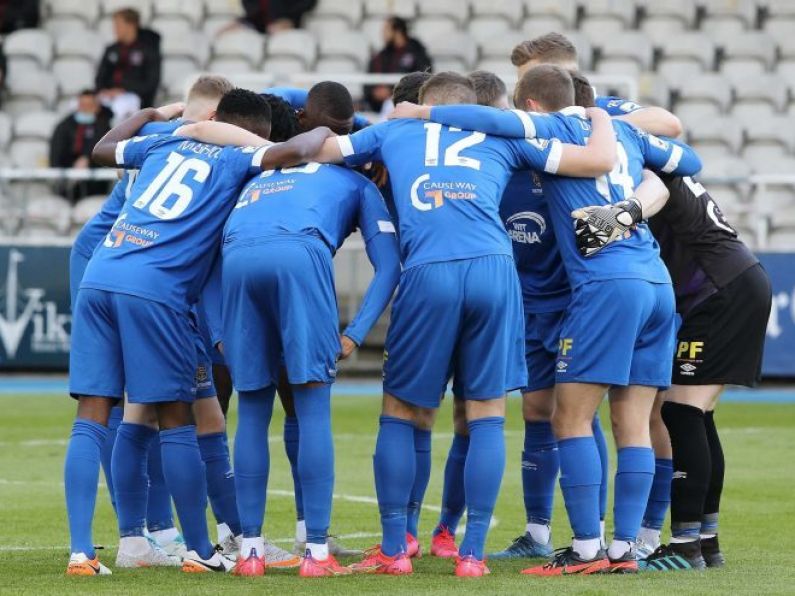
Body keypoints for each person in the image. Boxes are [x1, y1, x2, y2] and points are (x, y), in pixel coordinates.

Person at [269, 71, 617, 577]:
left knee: (400, 412)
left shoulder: (394, 130)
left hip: (428, 269)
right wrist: (601, 113)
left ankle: (394, 549)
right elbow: (594, 161)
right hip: (496, 271)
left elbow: (320, 149)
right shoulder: (501, 134)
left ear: (423, 102)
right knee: (486, 414)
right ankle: (472, 555)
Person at [400, 64, 702, 576]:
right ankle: (625, 549)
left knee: (570, 417)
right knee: (631, 422)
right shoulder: (624, 131)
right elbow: (687, 158)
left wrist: (423, 110)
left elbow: (486, 119)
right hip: (656, 282)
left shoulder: (551, 128)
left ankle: (585, 548)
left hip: (606, 285)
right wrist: (623, 173)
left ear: (532, 105)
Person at [64, 89, 331, 576]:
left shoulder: (164, 143)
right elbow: (302, 149)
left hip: (99, 275)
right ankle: (200, 550)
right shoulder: (238, 159)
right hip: (155, 288)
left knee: (93, 415)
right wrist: (325, 128)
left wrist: (151, 114)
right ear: (253, 133)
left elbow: (103, 150)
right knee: (176, 418)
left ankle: (82, 552)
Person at [194, 130, 402, 578]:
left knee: (251, 409)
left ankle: (250, 552)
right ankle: (317, 555)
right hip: (300, 253)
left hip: (238, 261)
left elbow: (207, 260)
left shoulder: (259, 175)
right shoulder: (357, 182)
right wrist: (356, 332)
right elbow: (389, 265)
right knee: (311, 409)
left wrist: (217, 332)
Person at [573, 174, 773, 569]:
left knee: (681, 412)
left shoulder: (649, 173)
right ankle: (705, 542)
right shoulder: (667, 161)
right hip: (737, 281)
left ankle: (685, 545)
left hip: (717, 290)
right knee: (698, 415)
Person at [95, 8, 161, 120]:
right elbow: (100, 76)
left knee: (122, 107)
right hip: (109, 95)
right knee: (81, 104)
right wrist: (104, 90)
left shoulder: (148, 50)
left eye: (118, 25)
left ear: (131, 25)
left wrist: (123, 89)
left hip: (134, 97)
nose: (115, 30)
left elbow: (150, 83)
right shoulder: (112, 49)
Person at [49, 89, 113, 202]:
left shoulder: (104, 127)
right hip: (68, 184)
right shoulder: (64, 126)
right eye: (82, 105)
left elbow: (106, 154)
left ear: (97, 107)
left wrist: (87, 159)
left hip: (95, 186)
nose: (85, 109)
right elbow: (56, 154)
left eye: (89, 106)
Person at [365, 17, 432, 112]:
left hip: (411, 109)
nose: (382, 33)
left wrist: (391, 91)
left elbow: (423, 79)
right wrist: (373, 93)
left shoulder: (418, 53)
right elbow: (369, 82)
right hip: (380, 109)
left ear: (398, 31)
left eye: (386, 29)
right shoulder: (381, 56)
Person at [264, 82, 371, 132]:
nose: (337, 141)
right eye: (326, 132)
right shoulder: (277, 132)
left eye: (344, 134)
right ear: (301, 119)